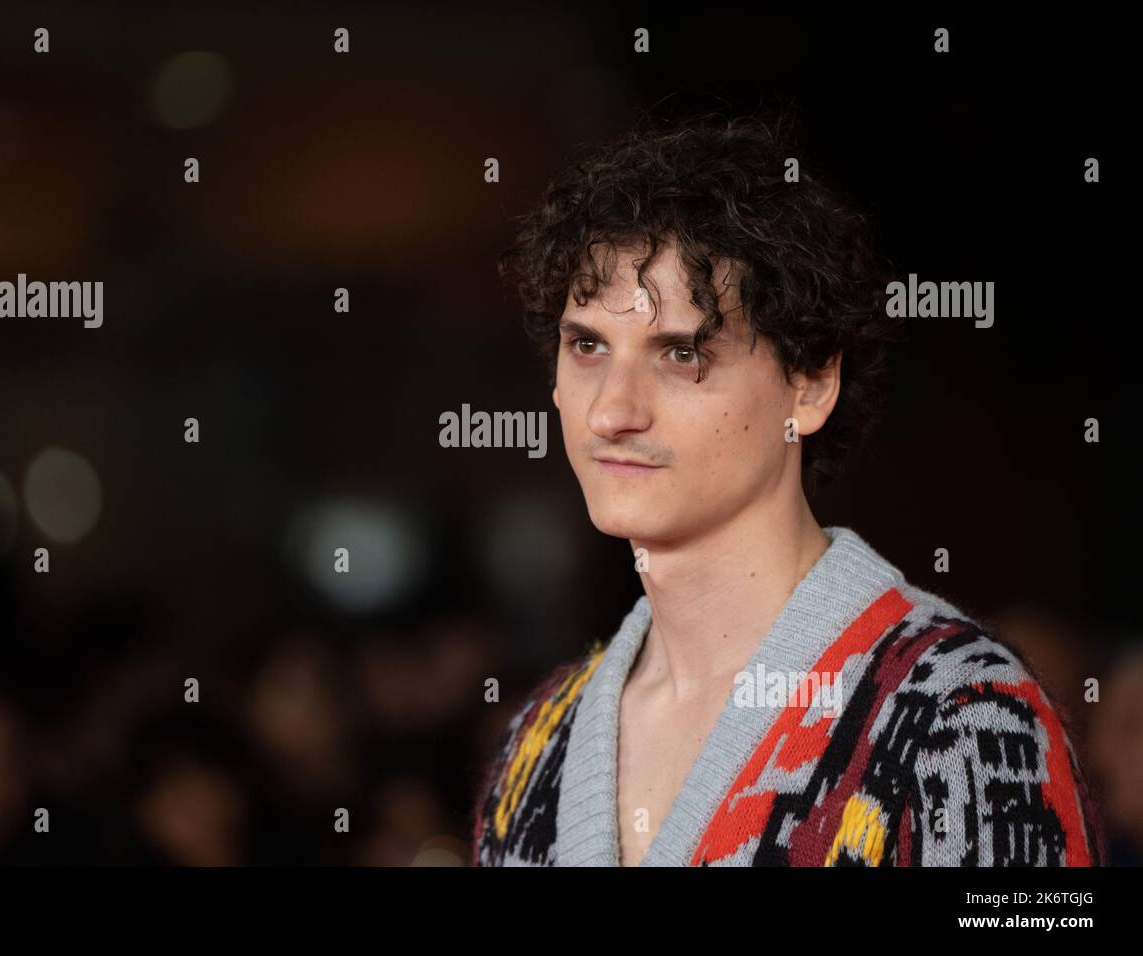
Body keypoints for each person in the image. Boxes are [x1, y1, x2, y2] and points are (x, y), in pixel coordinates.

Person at [470, 110, 1105, 867]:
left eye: (681, 353)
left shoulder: (965, 721)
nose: (612, 411)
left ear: (811, 384)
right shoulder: (538, 745)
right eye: (587, 347)